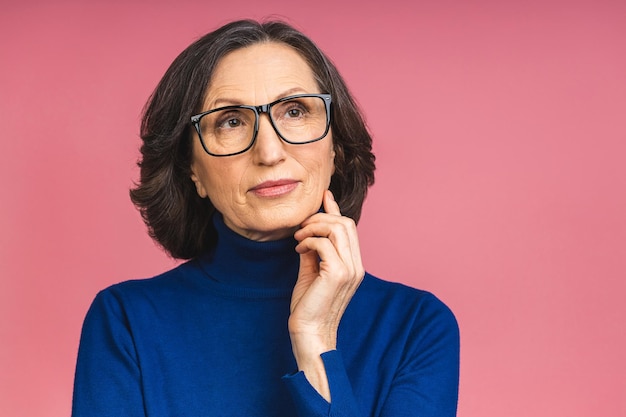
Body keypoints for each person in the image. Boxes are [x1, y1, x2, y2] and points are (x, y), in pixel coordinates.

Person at [72, 19, 460, 417]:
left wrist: (315, 341)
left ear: (336, 149)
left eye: (294, 111)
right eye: (232, 121)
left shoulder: (417, 327)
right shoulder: (125, 322)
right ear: (192, 169)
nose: (270, 151)